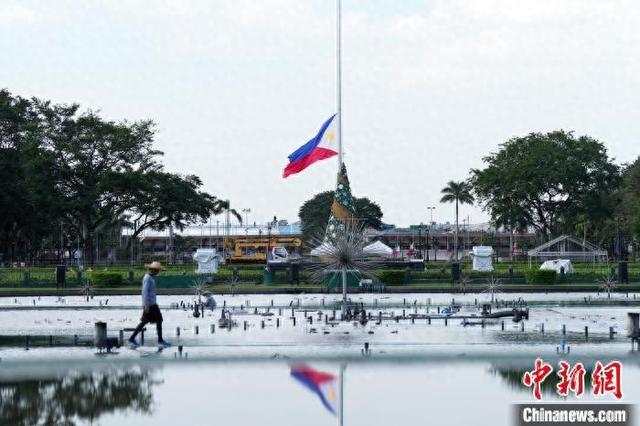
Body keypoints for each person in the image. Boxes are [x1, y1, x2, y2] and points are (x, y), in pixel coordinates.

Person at [128, 261, 171, 348]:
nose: (158, 273)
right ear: (154, 270)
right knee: (149, 321)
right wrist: (145, 305)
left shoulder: (150, 278)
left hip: (152, 304)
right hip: (149, 305)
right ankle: (159, 340)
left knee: (155, 320)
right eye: (157, 271)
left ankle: (159, 340)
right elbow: (144, 292)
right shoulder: (147, 278)